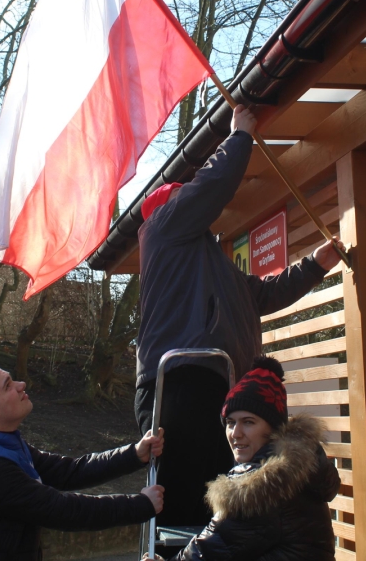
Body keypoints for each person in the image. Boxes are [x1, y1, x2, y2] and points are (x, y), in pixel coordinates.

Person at [135, 104, 344, 539]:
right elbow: (210, 187)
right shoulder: (162, 227)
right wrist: (239, 135)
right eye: (185, 194)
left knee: (226, 499)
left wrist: (317, 263)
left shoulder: (213, 264)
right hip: (183, 380)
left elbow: (263, 295)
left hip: (217, 382)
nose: (193, 198)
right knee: (190, 498)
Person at [0, 361, 165, 561]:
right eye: (8, 385)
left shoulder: (2, 445)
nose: (21, 385)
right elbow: (61, 510)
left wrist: (134, 454)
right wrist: (140, 505)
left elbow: (69, 471)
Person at [145, 355, 341, 561]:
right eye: (230, 422)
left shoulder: (266, 486)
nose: (235, 433)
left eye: (248, 422)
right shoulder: (298, 472)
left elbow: (209, 552)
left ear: (274, 429)